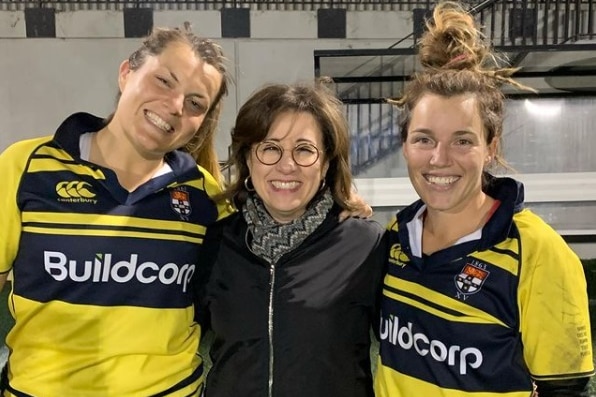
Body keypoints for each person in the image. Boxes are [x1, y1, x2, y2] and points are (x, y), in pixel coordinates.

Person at [374, 2, 595, 397]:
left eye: (463, 140)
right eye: (424, 139)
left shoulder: (539, 253)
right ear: (405, 146)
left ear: (490, 147)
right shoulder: (395, 237)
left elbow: (565, 389)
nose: (439, 159)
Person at [0, 26, 231, 396]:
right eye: (164, 81)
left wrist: (337, 205)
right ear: (127, 73)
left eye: (195, 103)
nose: (175, 106)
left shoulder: (206, 195)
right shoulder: (26, 166)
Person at [196, 81, 385, 397]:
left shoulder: (366, 246)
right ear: (248, 159)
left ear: (325, 163)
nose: (287, 165)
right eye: (270, 148)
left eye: (304, 150)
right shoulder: (216, 244)